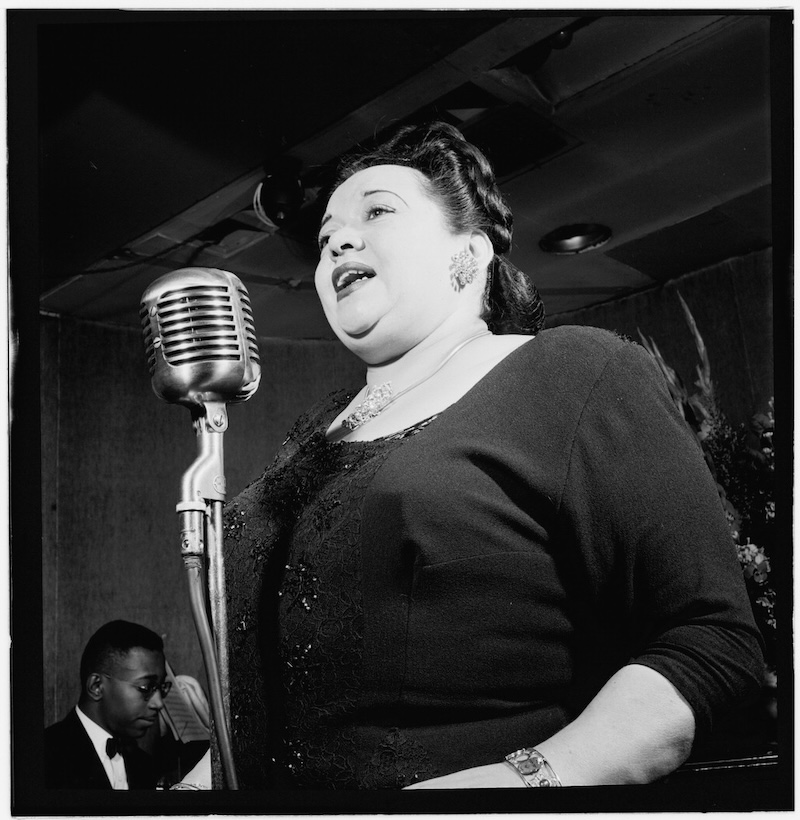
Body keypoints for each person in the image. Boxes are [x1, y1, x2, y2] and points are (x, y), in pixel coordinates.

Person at [221, 121, 765, 790]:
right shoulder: (307, 439)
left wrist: (521, 783)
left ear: (472, 253)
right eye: (328, 230)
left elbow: (712, 645)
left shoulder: (574, 372)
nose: (337, 238)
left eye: (378, 211)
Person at [44, 619, 170, 789]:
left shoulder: (144, 764)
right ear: (96, 686)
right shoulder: (43, 757)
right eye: (146, 687)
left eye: (162, 688)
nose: (159, 703)